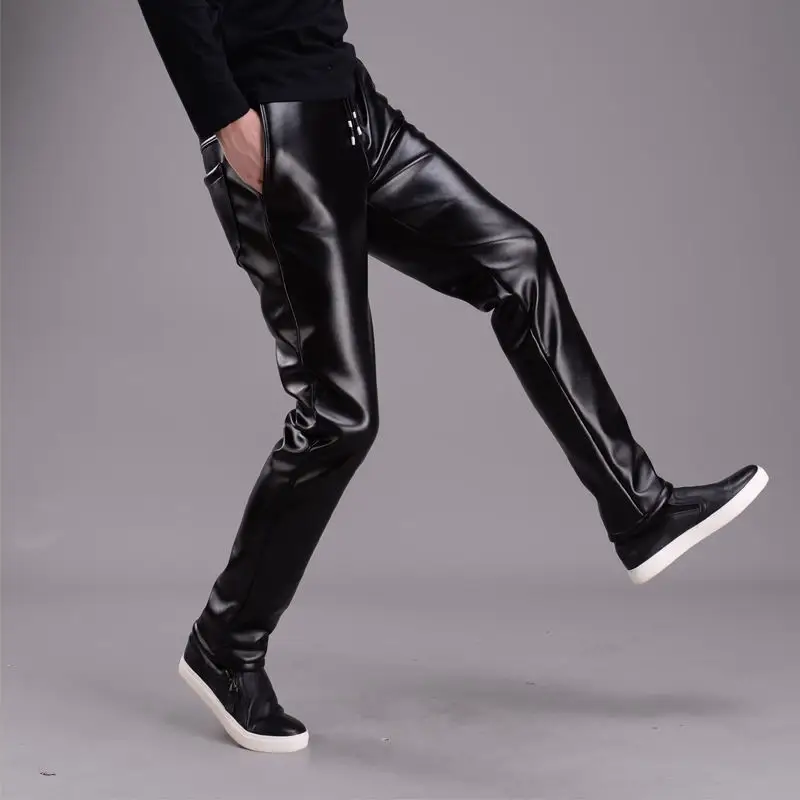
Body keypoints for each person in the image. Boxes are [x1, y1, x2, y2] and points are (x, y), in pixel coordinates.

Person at [135, 0, 769, 754]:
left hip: (347, 101)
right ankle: (226, 644)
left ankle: (639, 510)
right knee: (339, 414)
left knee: (516, 261)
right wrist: (224, 117)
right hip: (277, 123)